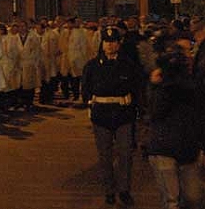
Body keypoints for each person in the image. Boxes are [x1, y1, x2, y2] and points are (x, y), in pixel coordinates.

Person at [82, 27, 142, 206]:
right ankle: (109, 190)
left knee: (125, 154)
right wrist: (90, 105)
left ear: (119, 43)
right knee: (105, 155)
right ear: (102, 43)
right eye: (107, 42)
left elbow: (136, 88)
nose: (110, 45)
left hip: (123, 114)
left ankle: (124, 190)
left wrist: (136, 109)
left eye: (113, 41)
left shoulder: (128, 64)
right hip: (101, 115)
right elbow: (86, 89)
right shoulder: (92, 66)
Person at [146, 47, 203, 209]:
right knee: (172, 201)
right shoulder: (162, 88)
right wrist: (156, 86)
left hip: (189, 147)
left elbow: (199, 115)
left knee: (194, 198)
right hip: (164, 147)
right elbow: (155, 111)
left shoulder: (194, 86)